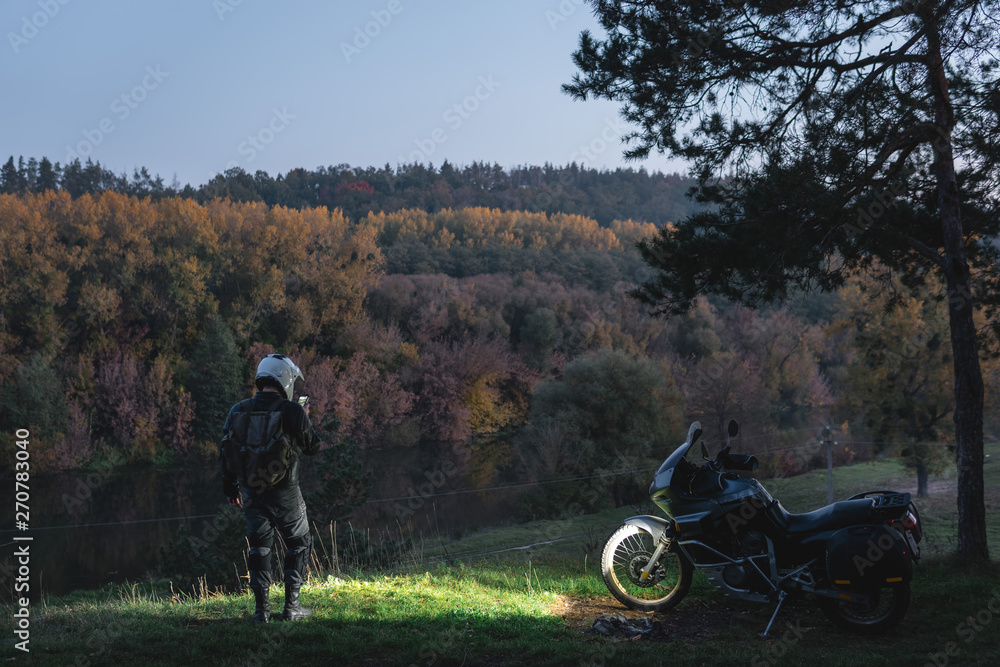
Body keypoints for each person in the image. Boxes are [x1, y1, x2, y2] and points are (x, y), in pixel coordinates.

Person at [221, 353, 321, 624]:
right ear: (285, 380)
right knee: (298, 543)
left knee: (259, 547)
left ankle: (261, 612)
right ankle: (292, 608)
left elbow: (226, 452)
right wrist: (304, 417)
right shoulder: (292, 410)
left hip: (251, 492)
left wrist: (231, 490)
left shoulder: (237, 410)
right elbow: (313, 447)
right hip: (286, 492)